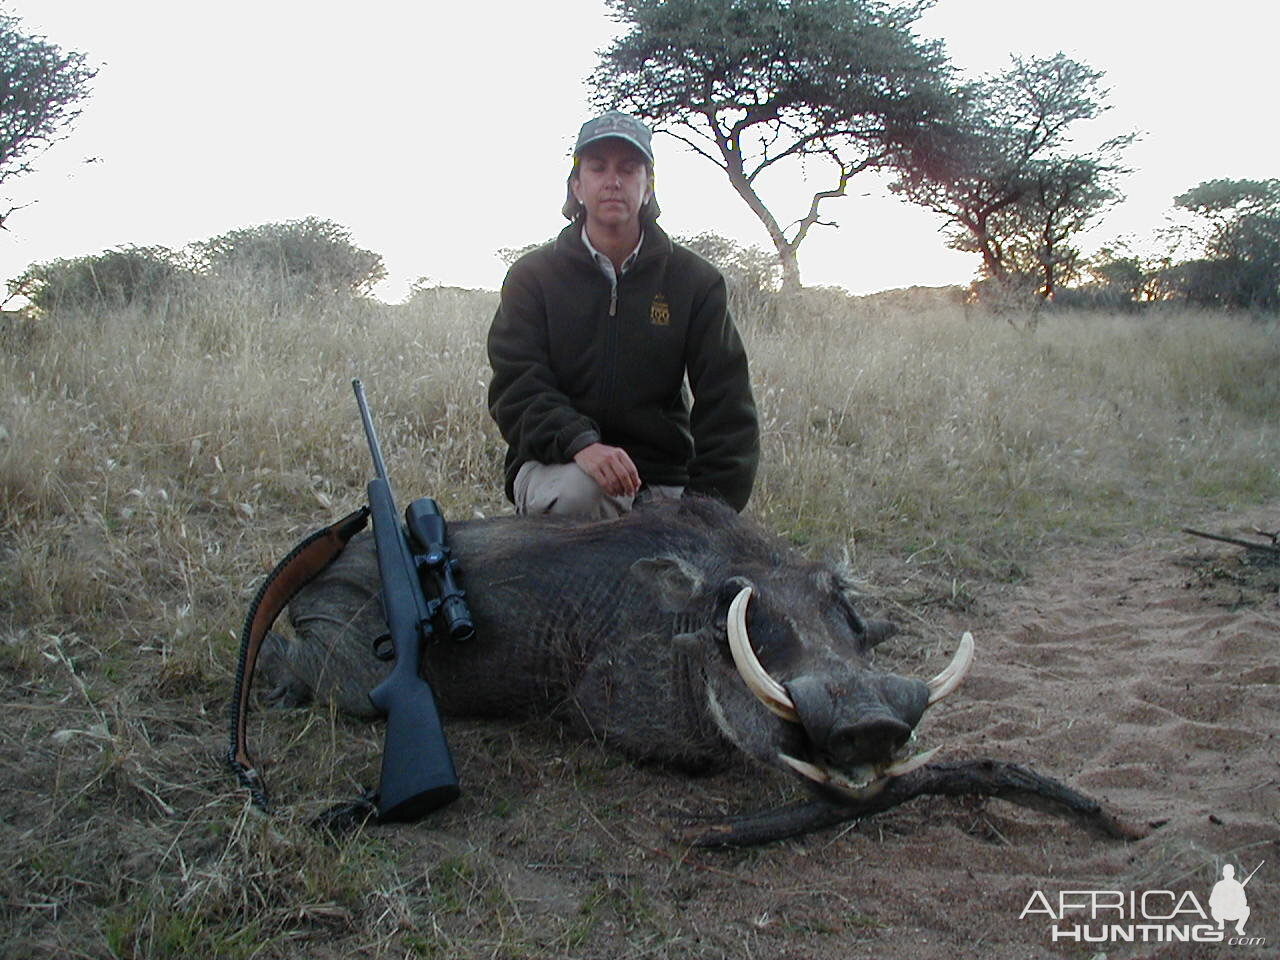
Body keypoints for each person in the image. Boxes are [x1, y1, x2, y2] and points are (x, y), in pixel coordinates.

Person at [487, 110, 759, 519]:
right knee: (582, 494)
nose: (613, 181)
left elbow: (728, 406)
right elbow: (516, 387)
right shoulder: (531, 277)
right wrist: (581, 444)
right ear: (577, 186)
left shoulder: (696, 281)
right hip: (561, 467)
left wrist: (706, 512)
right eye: (598, 168)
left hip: (662, 476)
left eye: (629, 169)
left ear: (648, 187)